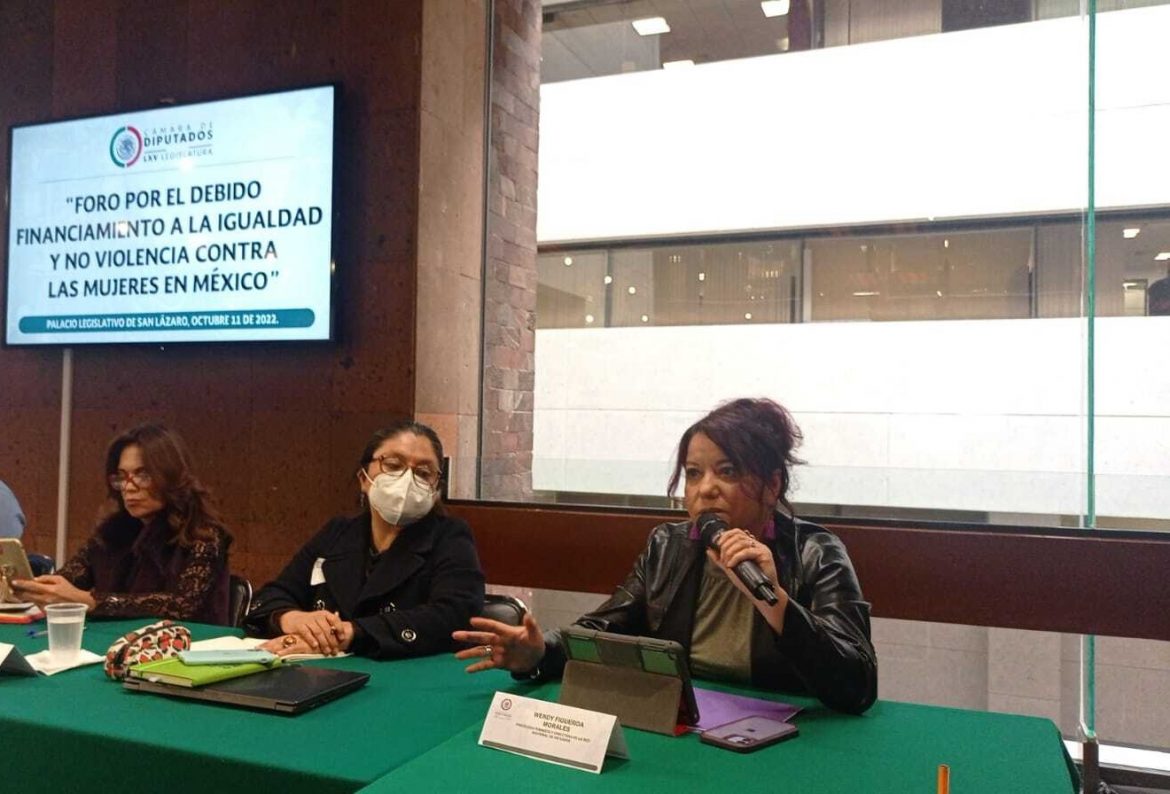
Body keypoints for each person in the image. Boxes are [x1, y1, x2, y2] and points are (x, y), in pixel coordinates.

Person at [454, 398, 878, 714]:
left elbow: (857, 684)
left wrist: (775, 601)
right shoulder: (668, 545)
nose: (704, 489)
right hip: (686, 728)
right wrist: (538, 653)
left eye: (727, 472)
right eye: (693, 473)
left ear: (772, 485)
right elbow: (603, 629)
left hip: (790, 740)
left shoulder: (816, 552)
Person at [245, 419, 485, 659]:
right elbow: (273, 595)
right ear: (363, 479)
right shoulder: (337, 533)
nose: (407, 480)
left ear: (435, 490)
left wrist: (352, 634)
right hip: (319, 672)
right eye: (393, 465)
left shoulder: (450, 537)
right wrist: (291, 618)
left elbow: (454, 614)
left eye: (423, 473)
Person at [13, 423, 232, 624]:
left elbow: (181, 606)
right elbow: (69, 579)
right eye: (121, 477)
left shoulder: (204, 534)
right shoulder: (114, 531)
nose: (128, 487)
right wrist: (30, 588)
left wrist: (89, 601)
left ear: (170, 476)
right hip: (116, 648)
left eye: (142, 475)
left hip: (185, 655)